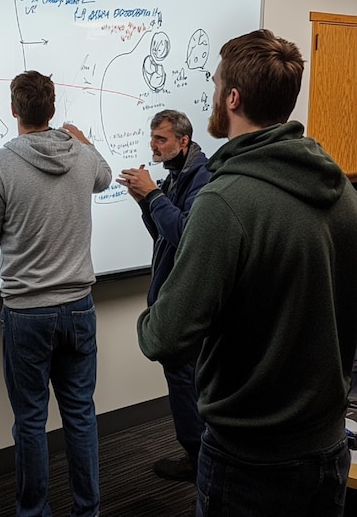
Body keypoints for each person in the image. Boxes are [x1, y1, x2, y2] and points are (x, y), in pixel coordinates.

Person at [137, 29, 357, 516]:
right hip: (327, 447)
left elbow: (164, 339)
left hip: (249, 459)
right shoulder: (341, 189)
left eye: (216, 84)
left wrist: (148, 319)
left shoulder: (224, 200)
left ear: (232, 98)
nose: (213, 94)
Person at [0, 70, 111, 517]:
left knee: (31, 421)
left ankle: (34, 513)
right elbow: (105, 179)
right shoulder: (83, 157)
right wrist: (84, 141)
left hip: (27, 313)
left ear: (14, 110)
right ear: (52, 109)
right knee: (81, 414)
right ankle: (87, 510)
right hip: (79, 309)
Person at [117, 109, 210, 482]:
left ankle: (200, 461)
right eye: (152, 137)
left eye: (161, 139)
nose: (153, 145)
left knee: (185, 383)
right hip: (174, 296)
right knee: (185, 382)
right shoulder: (177, 175)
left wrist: (153, 195)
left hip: (186, 301)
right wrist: (145, 201)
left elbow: (186, 236)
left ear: (182, 141)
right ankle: (198, 457)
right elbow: (161, 235)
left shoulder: (201, 179)